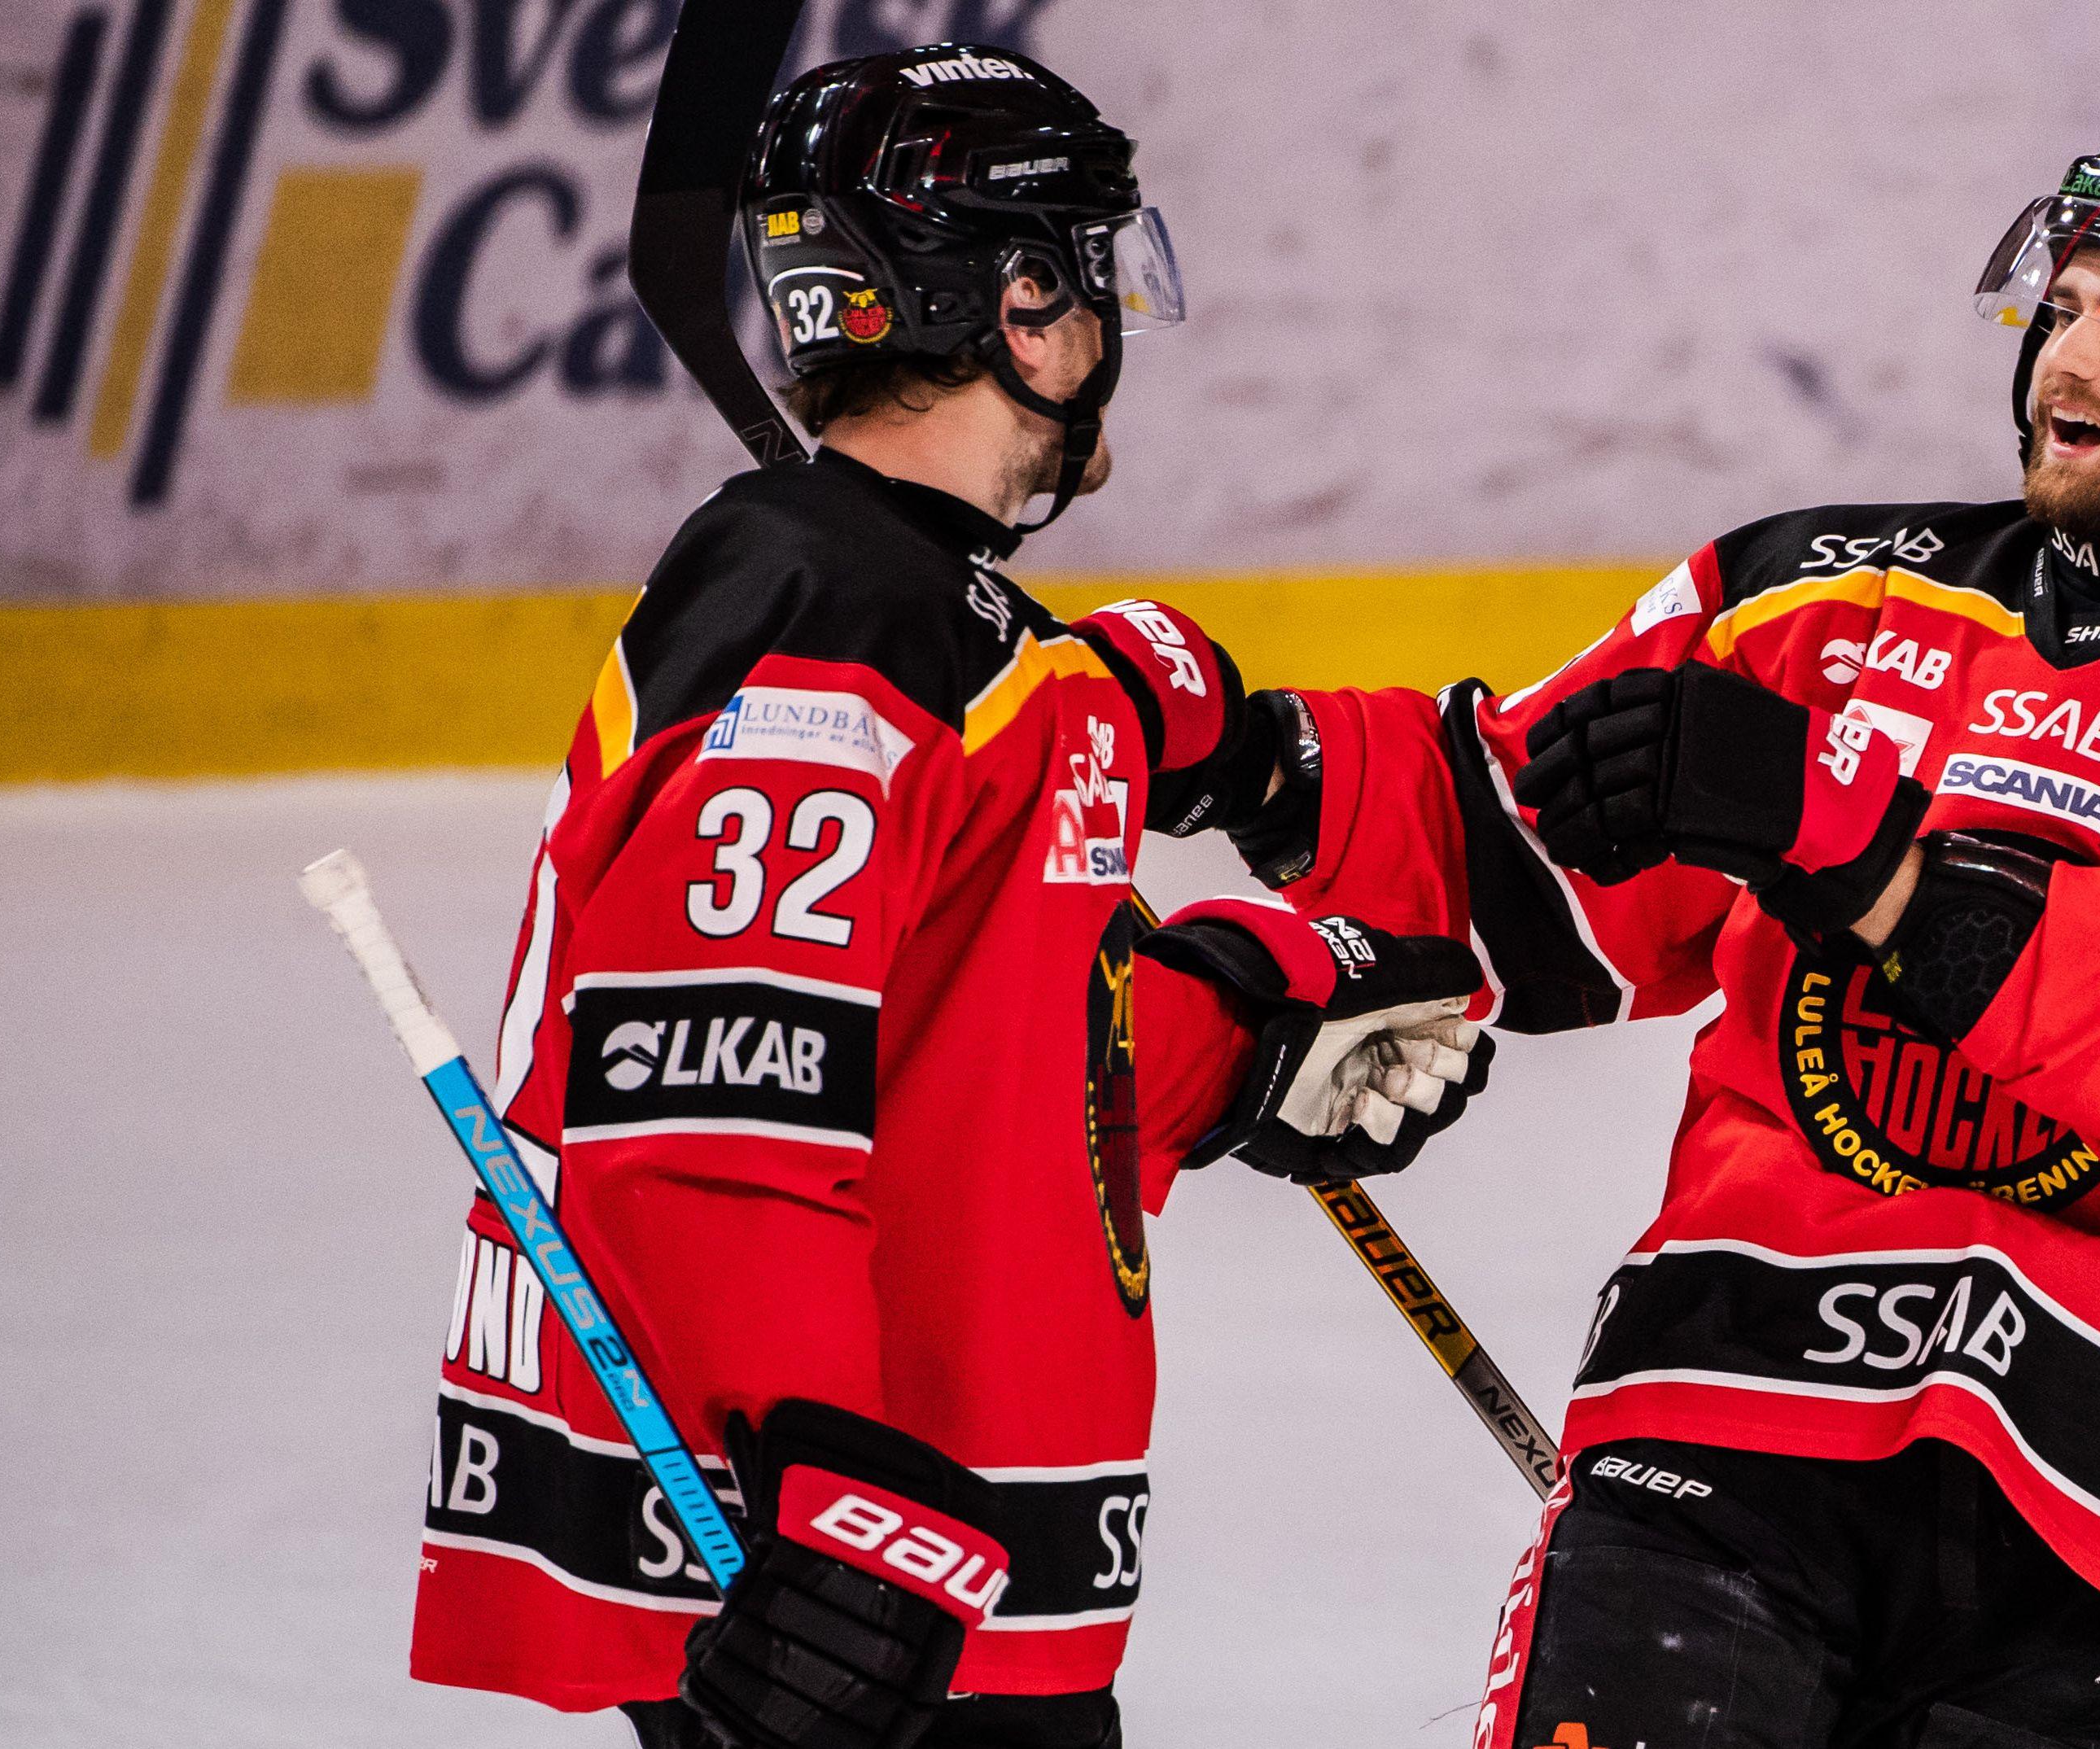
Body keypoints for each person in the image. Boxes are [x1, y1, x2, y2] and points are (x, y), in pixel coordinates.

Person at [1209, 125, 2100, 1747]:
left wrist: (1846, 840)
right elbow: (1513, 856)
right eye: (2065, 305)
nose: (2064, 355)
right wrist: (1239, 765)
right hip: (1725, 1410)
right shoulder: (1812, 596)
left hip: (2088, 1510)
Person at [406, 46, 1490, 1749]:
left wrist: (1241, 1038)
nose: (1112, 322)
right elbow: (710, 1111)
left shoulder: (940, 632)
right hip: (837, 1588)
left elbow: (979, 1052)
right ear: (1023, 308)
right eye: (1091, 271)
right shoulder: (830, 616)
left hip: (943, 1562)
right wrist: (827, 1521)